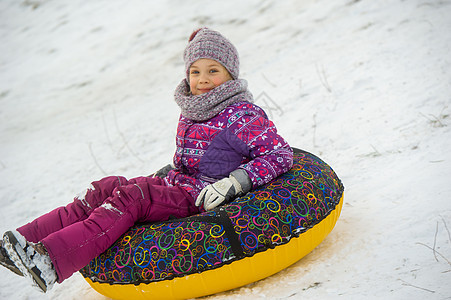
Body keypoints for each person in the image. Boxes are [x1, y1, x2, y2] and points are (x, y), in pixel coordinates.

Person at [0, 28, 293, 293]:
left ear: (230, 74)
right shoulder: (196, 107)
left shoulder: (242, 115)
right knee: (106, 187)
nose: (202, 79)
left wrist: (234, 183)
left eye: (213, 70)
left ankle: (50, 262)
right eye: (195, 71)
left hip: (203, 196)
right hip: (179, 184)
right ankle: (23, 242)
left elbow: (279, 154)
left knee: (132, 199)